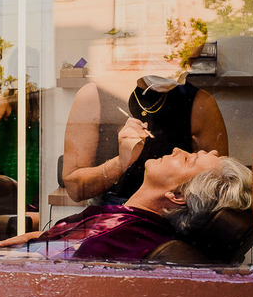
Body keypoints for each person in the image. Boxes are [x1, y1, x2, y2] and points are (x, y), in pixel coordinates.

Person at [0, 120, 252, 262]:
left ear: (177, 196)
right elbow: (54, 250)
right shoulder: (127, 223)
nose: (175, 149)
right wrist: (45, 235)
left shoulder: (121, 238)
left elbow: (26, 267)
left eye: (186, 159)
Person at [62, 76, 228, 204]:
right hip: (108, 216)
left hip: (166, 220)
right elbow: (75, 189)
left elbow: (218, 187)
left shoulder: (200, 103)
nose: (177, 152)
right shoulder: (94, 95)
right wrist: (120, 163)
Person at [0, 79, 40, 207]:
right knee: (30, 212)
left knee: (10, 213)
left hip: (10, 168)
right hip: (34, 168)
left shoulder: (6, 98)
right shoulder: (36, 96)